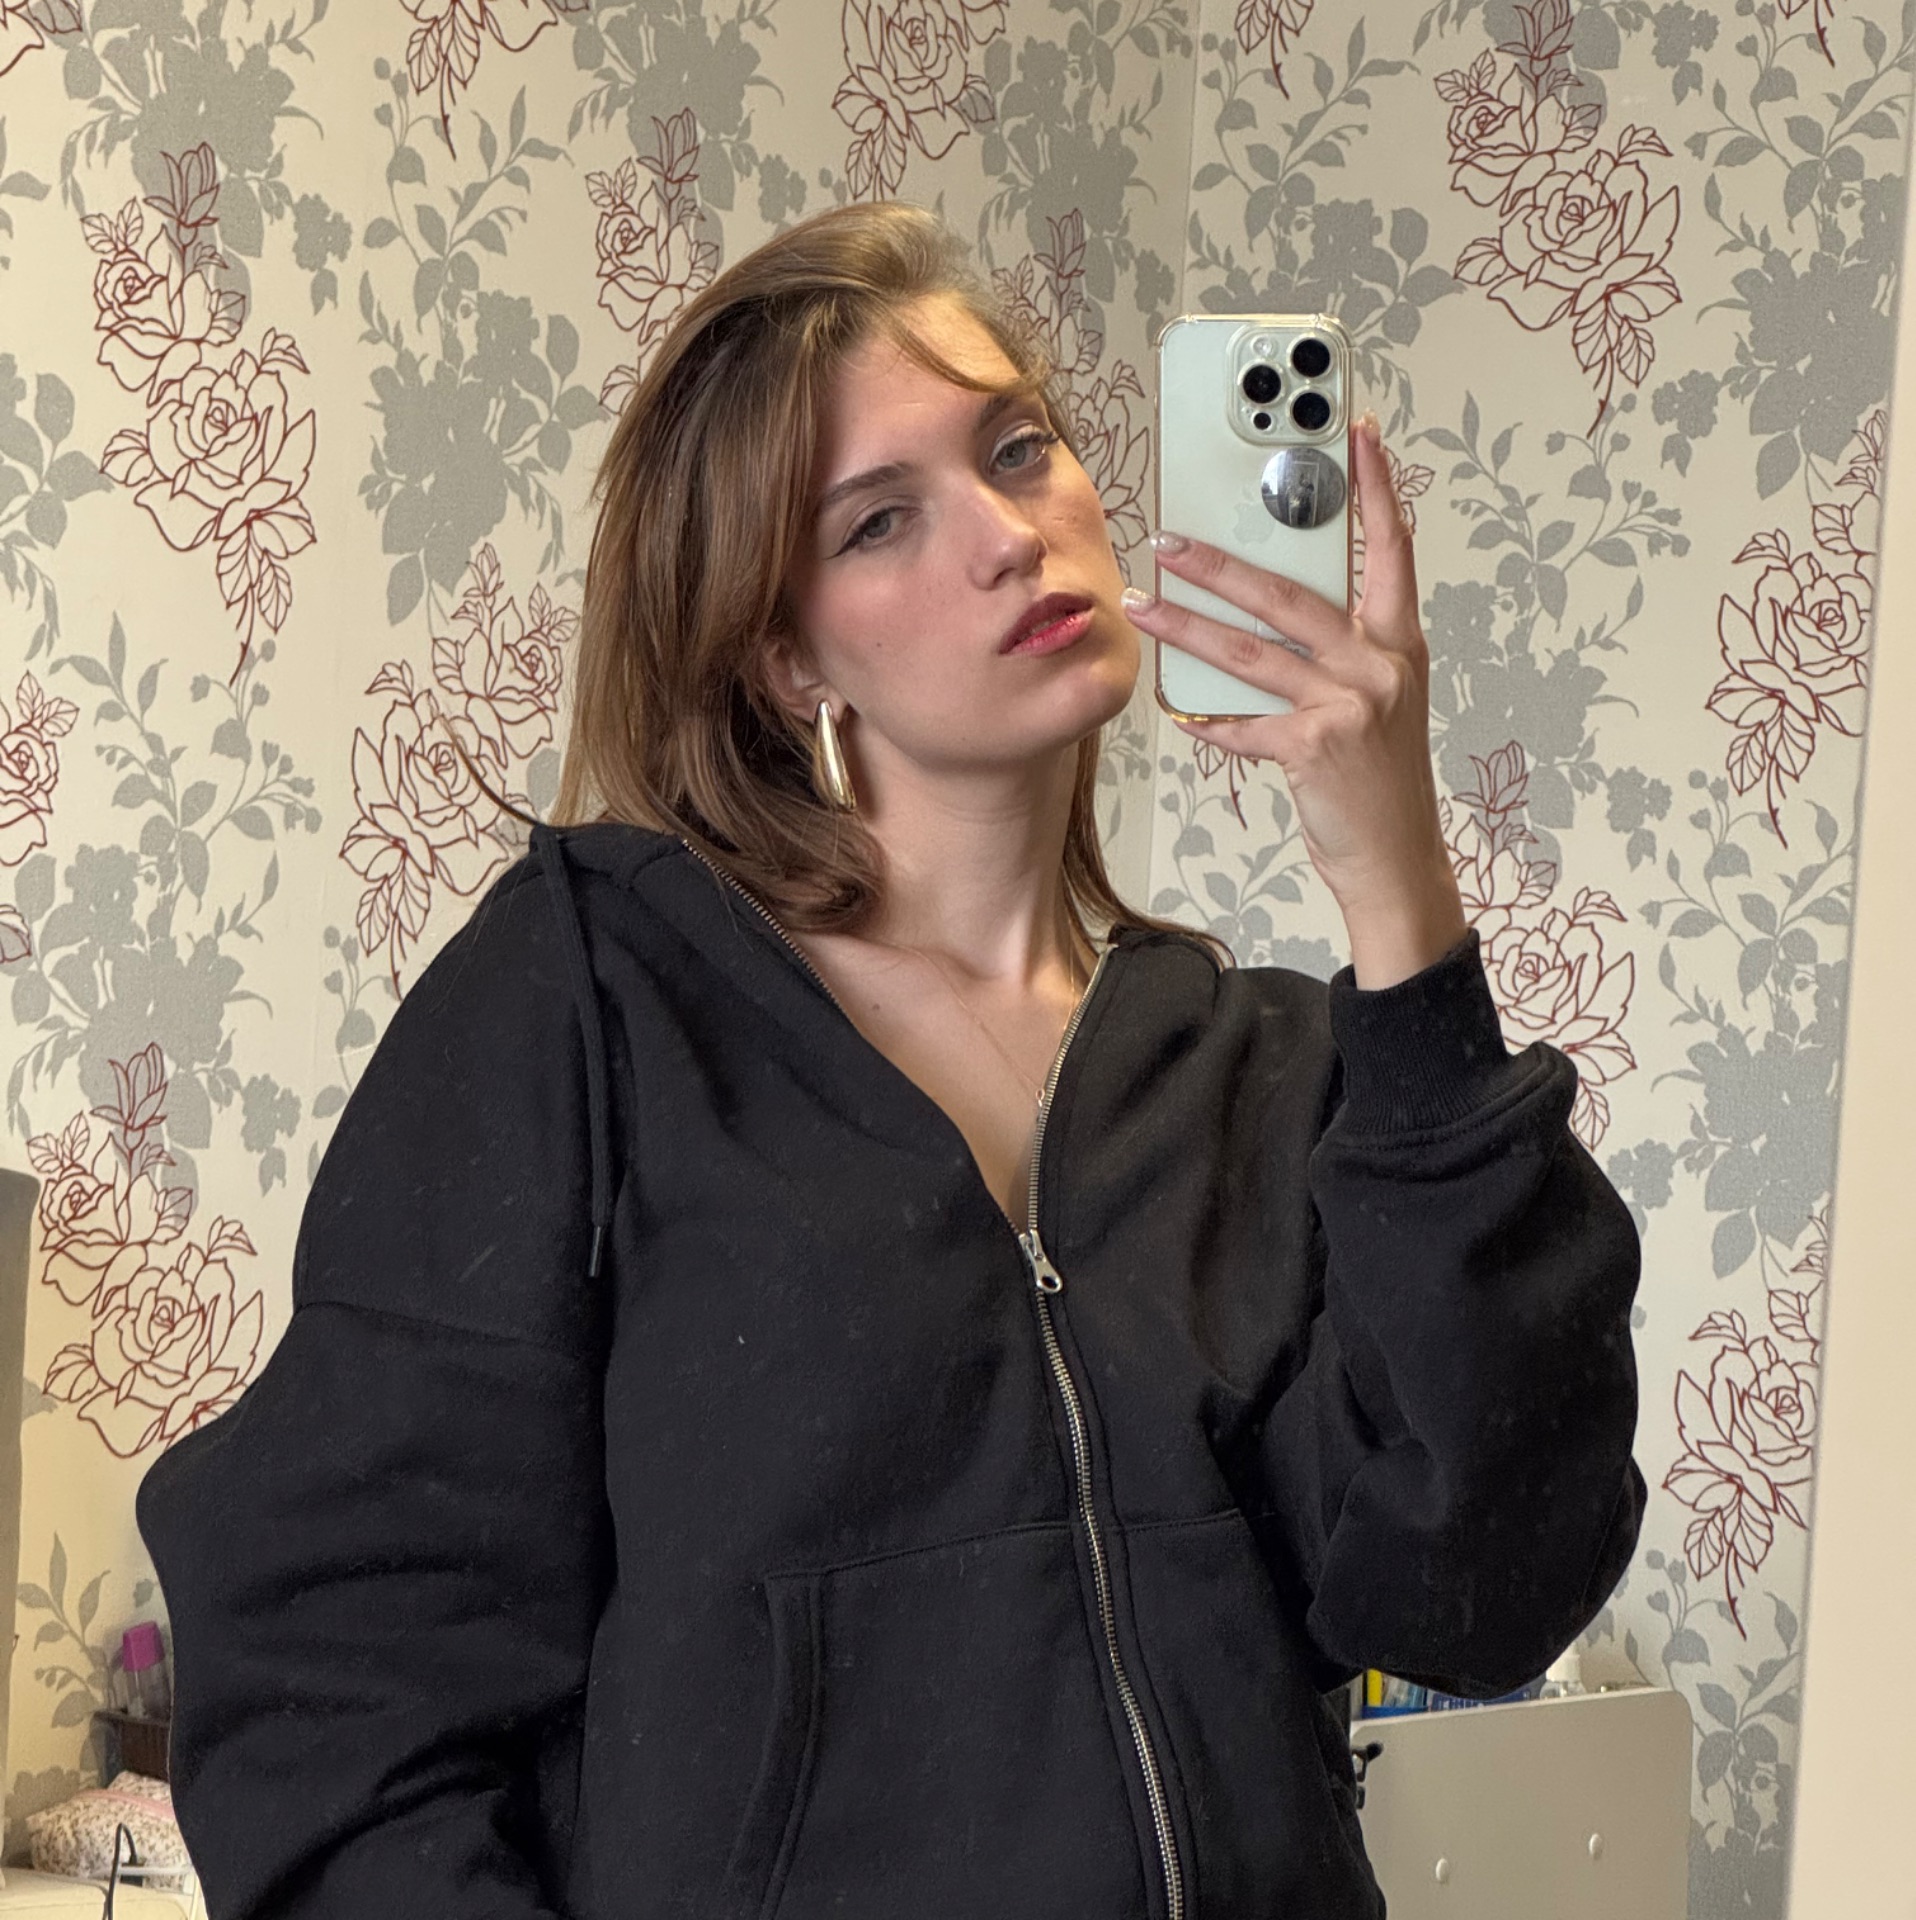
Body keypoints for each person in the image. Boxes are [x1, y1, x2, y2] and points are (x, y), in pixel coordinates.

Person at [135, 201, 1645, 1920]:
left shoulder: (1268, 1072)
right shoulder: (593, 1001)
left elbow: (1479, 1590)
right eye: (879, 521)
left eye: (1020, 449)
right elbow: (333, 1698)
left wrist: (1398, 885)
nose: (1008, 536)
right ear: (787, 655)